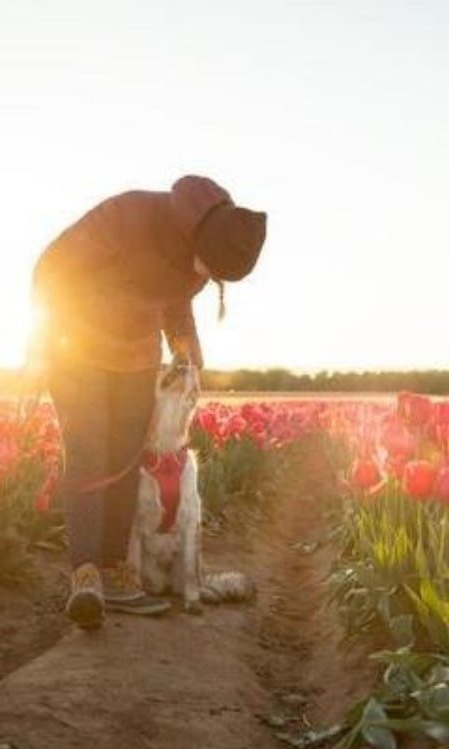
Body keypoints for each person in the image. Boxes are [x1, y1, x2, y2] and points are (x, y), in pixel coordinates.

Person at [31, 175, 267, 630]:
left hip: (135, 358)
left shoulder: (199, 253)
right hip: (75, 349)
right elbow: (51, 269)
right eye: (208, 266)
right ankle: (85, 574)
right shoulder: (127, 216)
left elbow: (175, 300)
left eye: (213, 275)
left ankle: (115, 570)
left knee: (123, 458)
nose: (203, 275)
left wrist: (186, 347)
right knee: (88, 452)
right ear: (197, 234)